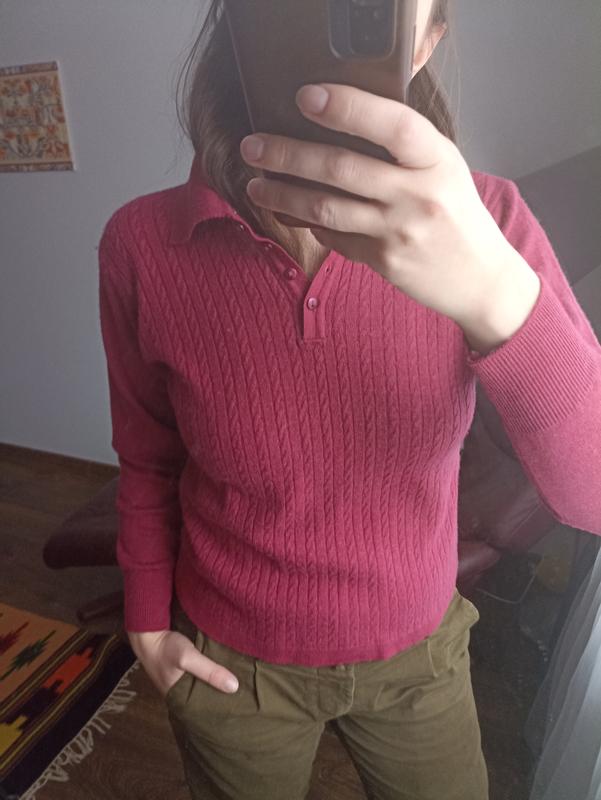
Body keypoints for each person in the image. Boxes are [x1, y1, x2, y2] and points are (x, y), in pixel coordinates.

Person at [97, 1, 601, 798]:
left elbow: (591, 494)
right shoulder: (141, 244)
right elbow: (146, 455)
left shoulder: (491, 223)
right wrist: (147, 620)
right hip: (232, 668)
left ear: (427, 38)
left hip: (420, 659)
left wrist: (495, 293)